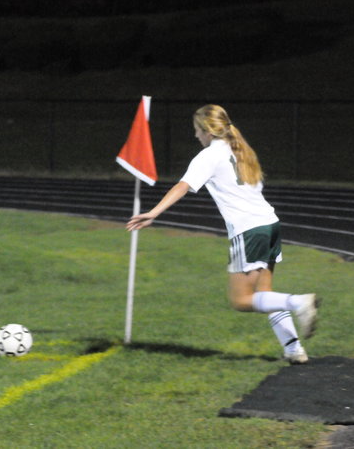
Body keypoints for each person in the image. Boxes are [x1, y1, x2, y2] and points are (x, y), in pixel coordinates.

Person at [126, 104, 318, 364]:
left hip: (249, 230)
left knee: (241, 300)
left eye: (197, 130)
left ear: (207, 131)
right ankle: (294, 349)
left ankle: (299, 303)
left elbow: (183, 186)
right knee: (265, 293)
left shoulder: (209, 155)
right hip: (270, 224)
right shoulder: (240, 149)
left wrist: (153, 212)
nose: (195, 135)